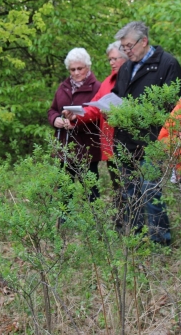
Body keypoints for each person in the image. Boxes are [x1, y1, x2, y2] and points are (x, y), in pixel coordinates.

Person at [111, 21, 181, 245]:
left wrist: (137, 111)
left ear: (144, 42)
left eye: (129, 46)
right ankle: (135, 240)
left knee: (150, 192)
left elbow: (172, 104)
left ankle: (160, 242)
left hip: (151, 140)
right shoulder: (125, 67)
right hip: (125, 140)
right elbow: (117, 95)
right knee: (129, 193)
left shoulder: (167, 64)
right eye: (123, 47)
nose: (126, 51)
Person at [64, 42, 127, 226]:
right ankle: (120, 227)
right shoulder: (108, 82)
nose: (112, 63)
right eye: (110, 59)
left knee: (133, 188)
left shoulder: (133, 79)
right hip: (111, 145)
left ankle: (139, 229)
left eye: (115, 58)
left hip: (131, 144)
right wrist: (77, 115)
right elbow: (94, 108)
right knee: (118, 187)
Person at [47, 48, 101, 209]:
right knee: (65, 189)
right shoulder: (63, 87)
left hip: (88, 147)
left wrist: (75, 123)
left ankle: (94, 222)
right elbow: (52, 110)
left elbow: (98, 117)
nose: (76, 72)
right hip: (65, 146)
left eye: (80, 68)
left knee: (91, 189)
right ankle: (64, 225)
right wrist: (55, 119)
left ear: (88, 67)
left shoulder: (97, 88)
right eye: (72, 69)